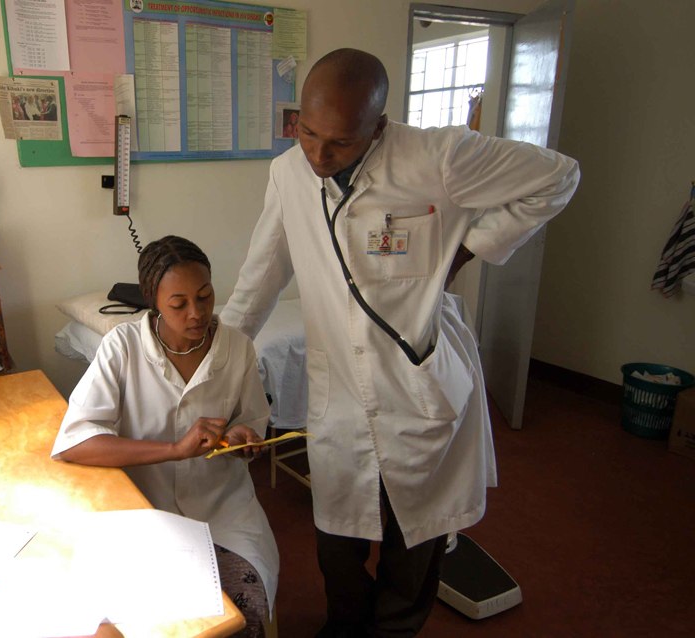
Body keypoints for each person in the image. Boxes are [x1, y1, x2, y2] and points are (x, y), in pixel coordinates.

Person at [220, 49, 580, 637]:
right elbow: (258, 282)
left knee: (414, 547)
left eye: (339, 143)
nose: (318, 155)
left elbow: (559, 175)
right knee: (337, 544)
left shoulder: (439, 157)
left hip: (419, 388)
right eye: (306, 133)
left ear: (379, 126)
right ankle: (345, 626)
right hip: (339, 401)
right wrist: (211, 371)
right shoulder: (288, 175)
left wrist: (473, 248)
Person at [52, 236, 280, 637]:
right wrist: (174, 450)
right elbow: (76, 442)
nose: (197, 314)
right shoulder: (122, 347)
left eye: (205, 297)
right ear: (153, 300)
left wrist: (243, 439)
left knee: (242, 613)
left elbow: (252, 421)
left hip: (223, 512)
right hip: (143, 513)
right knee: (124, 622)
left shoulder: (237, 348)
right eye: (179, 304)